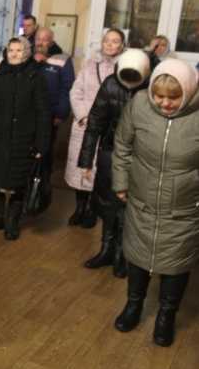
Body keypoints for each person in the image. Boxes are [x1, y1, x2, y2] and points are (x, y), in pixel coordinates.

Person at [112, 58, 199, 347]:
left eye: (173, 97)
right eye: (159, 96)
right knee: (137, 254)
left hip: (185, 206)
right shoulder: (139, 104)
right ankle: (133, 305)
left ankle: (166, 315)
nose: (164, 103)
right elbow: (122, 145)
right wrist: (121, 182)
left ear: (188, 92)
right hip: (142, 198)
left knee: (176, 262)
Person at [77, 49, 150, 278]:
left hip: (140, 158)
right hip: (109, 153)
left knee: (128, 209)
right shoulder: (110, 84)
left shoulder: (152, 87)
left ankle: (122, 255)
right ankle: (106, 251)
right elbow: (95, 123)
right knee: (107, 205)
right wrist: (86, 161)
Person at [0, 37, 51, 240]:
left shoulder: (35, 77)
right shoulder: (1, 74)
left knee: (18, 182)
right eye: (11, 50)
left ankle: (12, 222)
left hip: (23, 137)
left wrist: (41, 143)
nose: (14, 54)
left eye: (19, 50)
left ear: (26, 53)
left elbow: (43, 112)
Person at [64, 28, 125, 228]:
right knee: (80, 168)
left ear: (122, 45)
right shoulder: (90, 64)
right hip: (85, 124)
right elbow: (76, 91)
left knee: (99, 170)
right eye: (107, 40)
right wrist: (82, 115)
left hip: (108, 128)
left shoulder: (125, 68)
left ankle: (92, 210)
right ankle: (79, 208)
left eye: (115, 41)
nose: (110, 44)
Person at [33, 26, 75, 212]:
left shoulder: (63, 59)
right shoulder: (29, 55)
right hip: (30, 114)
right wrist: (36, 63)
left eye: (45, 39)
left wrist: (61, 113)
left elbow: (67, 88)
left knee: (45, 151)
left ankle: (42, 186)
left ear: (52, 41)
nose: (41, 42)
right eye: (38, 39)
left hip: (50, 115)